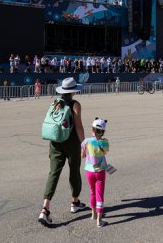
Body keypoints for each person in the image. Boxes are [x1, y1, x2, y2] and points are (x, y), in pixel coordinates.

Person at [38, 78, 86, 226]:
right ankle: (75, 202)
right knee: (74, 171)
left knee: (53, 173)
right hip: (71, 143)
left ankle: (45, 209)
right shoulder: (75, 104)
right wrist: (84, 144)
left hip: (55, 142)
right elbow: (78, 126)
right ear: (73, 91)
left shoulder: (55, 102)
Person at [81, 118, 110, 228]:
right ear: (102, 131)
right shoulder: (105, 142)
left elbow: (83, 155)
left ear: (92, 129)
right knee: (100, 194)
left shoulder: (86, 141)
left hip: (89, 171)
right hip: (100, 171)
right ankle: (99, 219)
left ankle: (93, 214)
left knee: (92, 192)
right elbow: (106, 152)